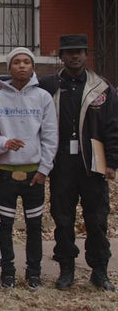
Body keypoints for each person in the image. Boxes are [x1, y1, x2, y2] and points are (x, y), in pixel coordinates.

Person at [38, 34, 118, 291]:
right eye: (69, 52)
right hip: (61, 165)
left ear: (86, 55)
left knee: (96, 218)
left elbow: (113, 128)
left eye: (79, 52)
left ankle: (99, 270)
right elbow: (16, 90)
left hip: (93, 165)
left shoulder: (102, 88)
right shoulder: (48, 85)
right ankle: (66, 269)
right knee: (63, 219)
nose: (74, 56)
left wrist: (112, 163)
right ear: (61, 56)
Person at [0, 47, 58, 290]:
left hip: (34, 174)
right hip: (7, 173)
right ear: (9, 68)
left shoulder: (43, 98)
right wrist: (4, 143)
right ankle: (7, 272)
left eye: (26, 62)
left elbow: (50, 136)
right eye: (16, 62)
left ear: (33, 67)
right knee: (5, 225)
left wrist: (44, 169)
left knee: (34, 225)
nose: (21, 66)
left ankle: (34, 273)